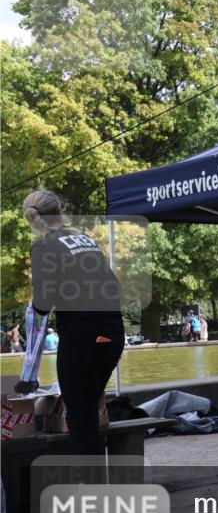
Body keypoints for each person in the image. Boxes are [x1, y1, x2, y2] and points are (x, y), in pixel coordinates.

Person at [20, 190, 124, 456]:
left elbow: (43, 302)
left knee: (81, 420)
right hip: (112, 332)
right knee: (88, 408)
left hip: (82, 337)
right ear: (59, 211)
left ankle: (93, 493)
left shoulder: (44, 246)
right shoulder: (85, 239)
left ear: (32, 220)